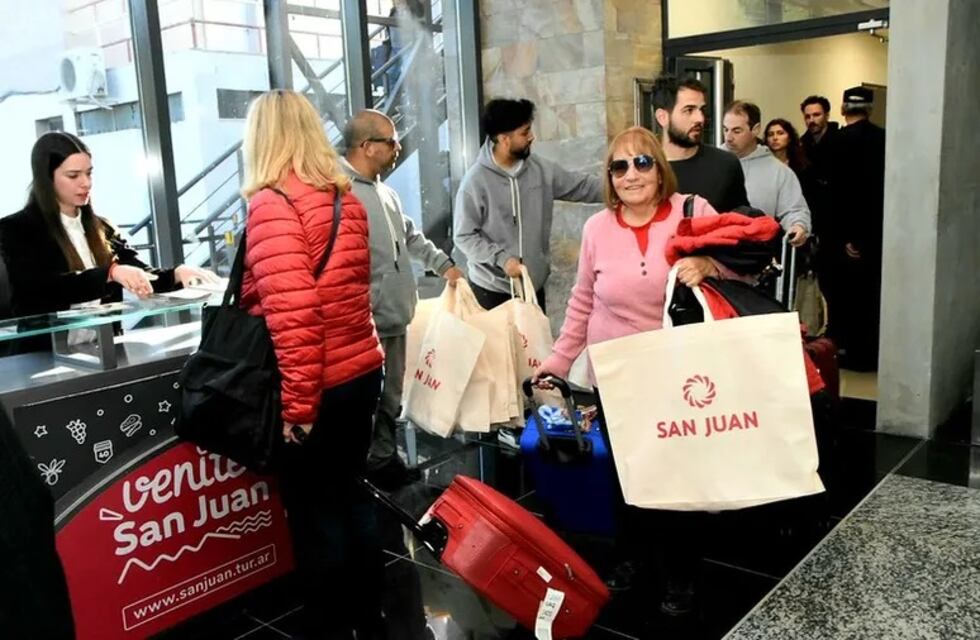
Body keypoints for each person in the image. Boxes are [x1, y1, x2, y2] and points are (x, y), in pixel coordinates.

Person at [532, 126, 734, 617]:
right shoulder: (597, 228)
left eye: (642, 162)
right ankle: (632, 558)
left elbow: (746, 262)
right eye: (618, 166)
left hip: (678, 373)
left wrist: (709, 264)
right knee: (625, 476)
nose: (630, 174)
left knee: (678, 476)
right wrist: (558, 361)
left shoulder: (693, 211)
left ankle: (680, 572)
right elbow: (581, 301)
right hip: (617, 374)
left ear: (659, 168)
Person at [239, 90, 386, 639]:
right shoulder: (342, 197)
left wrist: (298, 407)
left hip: (316, 383)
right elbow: (348, 293)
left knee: (315, 515)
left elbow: (296, 314)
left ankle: (329, 625)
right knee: (352, 496)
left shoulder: (272, 203)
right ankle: (370, 616)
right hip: (359, 370)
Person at [0, 131, 217, 352]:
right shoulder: (16, 229)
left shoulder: (102, 227)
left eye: (89, 173)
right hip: (43, 358)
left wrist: (177, 273)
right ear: (47, 178)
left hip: (102, 351)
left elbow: (140, 273)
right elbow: (43, 289)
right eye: (74, 176)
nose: (86, 183)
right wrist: (110, 273)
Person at [341, 109, 463, 489]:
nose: (398, 148)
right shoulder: (338, 195)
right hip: (362, 324)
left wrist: (443, 264)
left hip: (394, 316)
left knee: (392, 397)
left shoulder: (386, 192)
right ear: (367, 146)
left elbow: (410, 237)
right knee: (366, 403)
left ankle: (383, 461)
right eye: (391, 141)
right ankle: (360, 469)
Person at [453, 98, 603, 311]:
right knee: (499, 346)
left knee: (535, 344)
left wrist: (622, 187)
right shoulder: (475, 182)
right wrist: (502, 259)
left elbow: (582, 186)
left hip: (532, 288)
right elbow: (464, 236)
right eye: (524, 133)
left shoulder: (541, 170)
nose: (531, 137)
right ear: (504, 139)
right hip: (490, 291)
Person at [825, 86, 886, 371]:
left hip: (840, 234)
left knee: (843, 298)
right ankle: (869, 354)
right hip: (875, 232)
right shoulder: (883, 139)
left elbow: (837, 193)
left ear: (842, 109)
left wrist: (847, 235)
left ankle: (844, 350)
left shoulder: (835, 142)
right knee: (870, 297)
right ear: (870, 109)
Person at [651, 74, 749, 213]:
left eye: (701, 110)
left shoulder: (725, 165)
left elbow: (742, 223)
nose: (700, 118)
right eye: (689, 110)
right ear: (663, 117)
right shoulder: (642, 169)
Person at [722, 101, 811, 246]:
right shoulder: (712, 162)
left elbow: (794, 210)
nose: (728, 137)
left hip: (753, 255)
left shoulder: (780, 172)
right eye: (725, 129)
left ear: (756, 129)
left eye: (737, 131)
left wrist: (798, 226)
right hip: (711, 255)